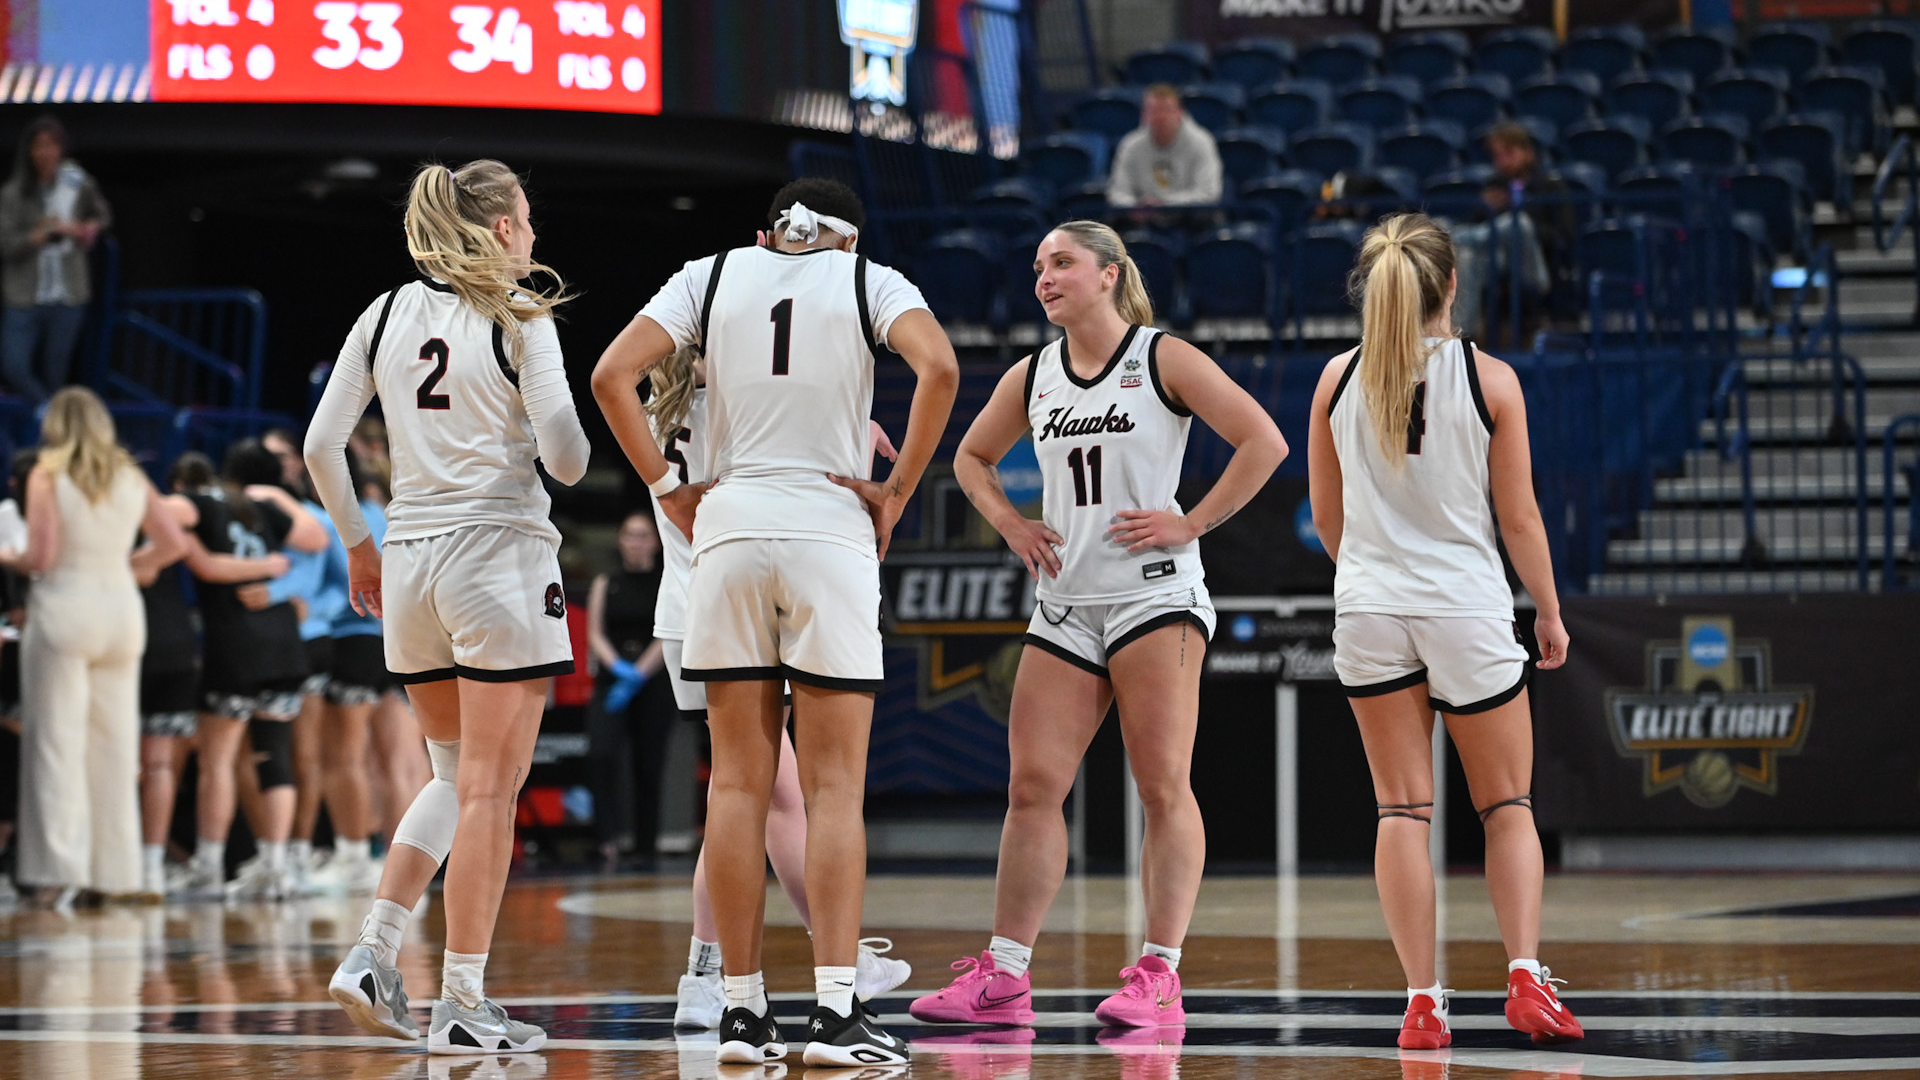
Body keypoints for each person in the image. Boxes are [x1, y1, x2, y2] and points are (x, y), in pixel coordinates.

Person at [592, 177, 957, 1067]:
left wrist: (668, 488)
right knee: (831, 788)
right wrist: (897, 490)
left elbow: (611, 375)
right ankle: (836, 1013)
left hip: (730, 533)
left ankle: (741, 1013)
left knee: (736, 788)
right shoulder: (872, 278)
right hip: (828, 529)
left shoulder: (708, 274)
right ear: (846, 236)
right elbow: (940, 368)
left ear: (769, 231)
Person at [913, 221, 1286, 1027]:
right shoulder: (1033, 373)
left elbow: (1265, 441)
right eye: (1039, 265)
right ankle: (1004, 976)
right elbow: (971, 460)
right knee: (1031, 788)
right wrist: (1013, 525)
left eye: (1062, 263)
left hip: (1155, 598)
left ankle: (1159, 975)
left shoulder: (1163, 358)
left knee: (1161, 785)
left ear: (1110, 274)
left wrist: (1193, 522)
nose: (1045, 278)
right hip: (1067, 602)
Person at [309, 158, 589, 1055]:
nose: (535, 233)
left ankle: (375, 948)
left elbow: (323, 445)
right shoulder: (522, 314)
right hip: (497, 556)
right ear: (504, 228)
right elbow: (569, 459)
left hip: (408, 562)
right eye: (529, 218)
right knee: (488, 792)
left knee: (451, 774)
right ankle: (461, 999)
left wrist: (358, 538)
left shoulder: (383, 313)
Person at [1305, 213, 1582, 1049]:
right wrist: (1551, 609)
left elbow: (1328, 519)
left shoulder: (1335, 378)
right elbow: (1521, 517)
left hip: (1369, 607)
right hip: (1465, 606)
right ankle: (1526, 978)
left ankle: (1423, 1002)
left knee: (1401, 810)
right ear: (1451, 285)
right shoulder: (1489, 377)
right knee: (1506, 805)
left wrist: (1374, 575)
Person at [638, 344, 911, 1031]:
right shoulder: (748, 412)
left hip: (683, 616)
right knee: (779, 799)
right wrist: (854, 433)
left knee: (741, 799)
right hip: (734, 613)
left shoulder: (654, 413)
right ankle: (836, 950)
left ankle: (703, 974)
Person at [2, 387, 188, 906]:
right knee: (114, 743)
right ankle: (115, 871)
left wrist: (6, 555)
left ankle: (58, 873)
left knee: (56, 743)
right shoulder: (131, 475)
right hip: (121, 614)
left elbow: (40, 556)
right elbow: (173, 544)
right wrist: (124, 569)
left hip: (65, 609)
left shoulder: (46, 472)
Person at [178, 440, 328, 901]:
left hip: (235, 643)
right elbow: (317, 537)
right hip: (283, 644)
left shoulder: (198, 502)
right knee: (275, 754)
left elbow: (187, 543)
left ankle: (207, 865)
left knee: (218, 761)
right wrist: (272, 562)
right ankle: (277, 867)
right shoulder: (261, 503)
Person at [261, 427, 353, 894]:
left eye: (284, 456)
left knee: (305, 750)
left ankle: (298, 852)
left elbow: (344, 583)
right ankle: (266, 855)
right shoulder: (247, 517)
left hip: (307, 641)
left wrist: (311, 607)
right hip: (256, 643)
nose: (279, 464)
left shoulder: (316, 519)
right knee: (254, 753)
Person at [137, 454, 213, 898]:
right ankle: (150, 865)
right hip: (178, 643)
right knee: (161, 763)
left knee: (129, 763)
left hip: (136, 645)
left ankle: (128, 861)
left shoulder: (113, 519)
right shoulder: (166, 518)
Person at [0, 117, 111, 402]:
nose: (46, 153)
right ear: (29, 151)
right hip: (24, 294)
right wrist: (32, 239)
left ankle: (49, 431)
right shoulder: (13, 193)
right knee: (13, 365)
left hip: (68, 292)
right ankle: (52, 417)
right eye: (39, 146)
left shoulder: (77, 182)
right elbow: (5, 243)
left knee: (56, 373)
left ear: (62, 149)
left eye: (52, 145)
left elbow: (101, 215)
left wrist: (85, 229)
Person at [583, 511, 668, 863]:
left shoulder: (668, 582)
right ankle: (606, 840)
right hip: (612, 679)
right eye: (630, 534)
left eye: (643, 535)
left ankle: (645, 844)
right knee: (601, 754)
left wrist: (639, 673)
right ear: (620, 540)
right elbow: (594, 631)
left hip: (652, 680)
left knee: (649, 763)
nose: (636, 542)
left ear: (656, 541)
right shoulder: (606, 581)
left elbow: (670, 632)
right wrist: (617, 668)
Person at [1106, 84, 1223, 210]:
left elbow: (1209, 194)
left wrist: (1164, 203)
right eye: (1153, 110)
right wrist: (1136, 206)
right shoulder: (1130, 144)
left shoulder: (1202, 141)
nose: (1160, 117)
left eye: (1166, 110)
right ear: (1144, 115)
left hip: (1192, 219)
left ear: (1180, 112)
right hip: (1143, 220)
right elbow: (1117, 193)